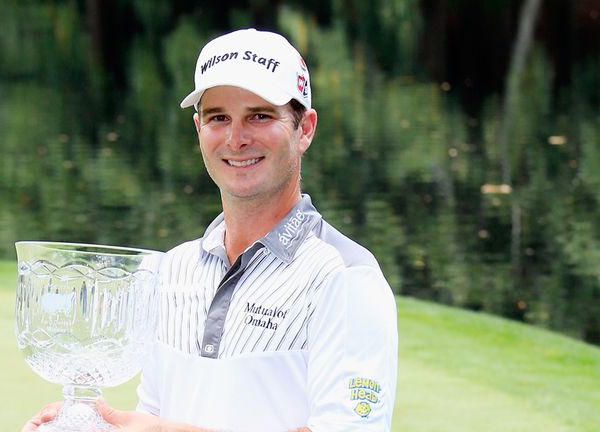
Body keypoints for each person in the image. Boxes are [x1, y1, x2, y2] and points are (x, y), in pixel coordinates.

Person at [23, 28, 398, 432]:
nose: (237, 138)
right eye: (219, 117)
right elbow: (153, 417)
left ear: (304, 128)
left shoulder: (346, 277)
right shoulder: (173, 269)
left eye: (260, 115)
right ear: (198, 128)